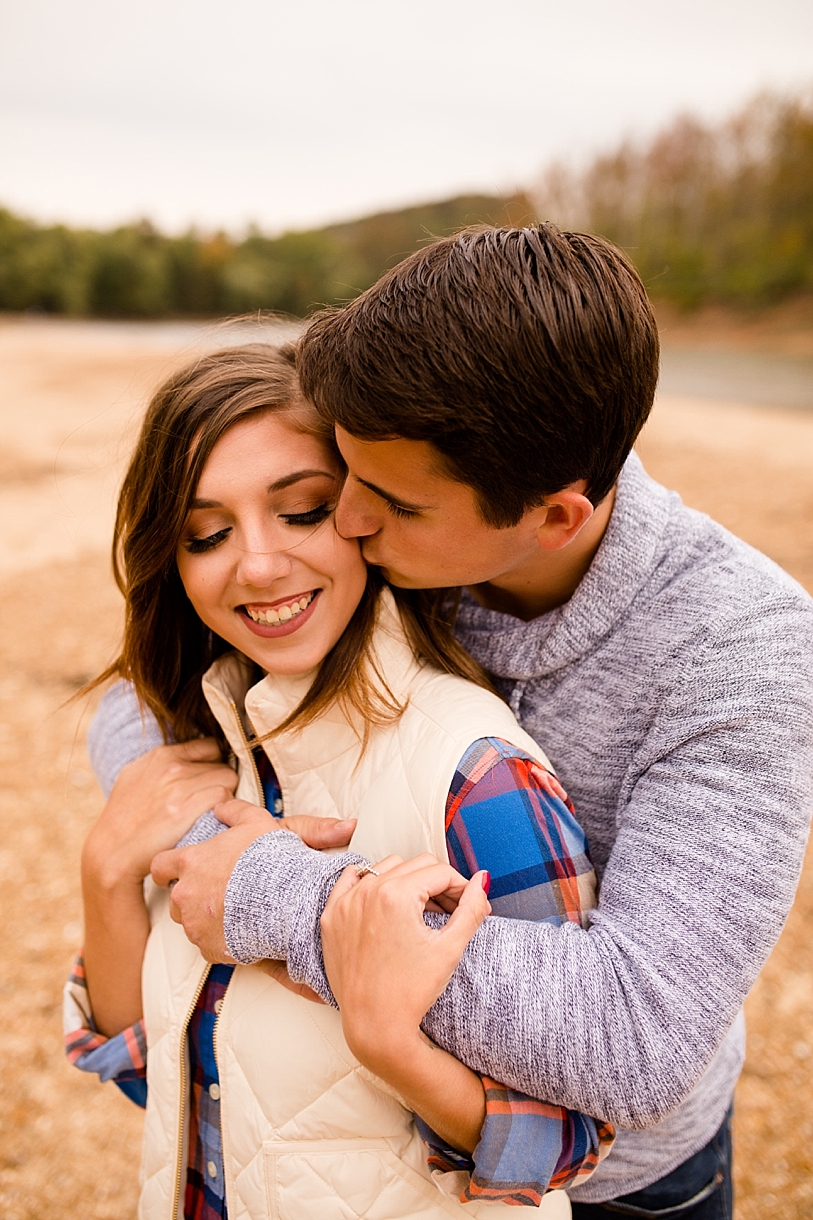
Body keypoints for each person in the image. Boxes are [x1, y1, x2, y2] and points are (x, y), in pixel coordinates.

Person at [99, 226, 813, 1219]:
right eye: (339, 480)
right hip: (387, 1147)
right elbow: (156, 682)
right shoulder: (407, 494)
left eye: (383, 500)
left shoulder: (745, 646)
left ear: (553, 519)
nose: (344, 518)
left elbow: (638, 1031)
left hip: (628, 1177)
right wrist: (195, 835)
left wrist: (274, 890)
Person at [65, 341, 614, 1219]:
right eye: (207, 534)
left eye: (303, 512)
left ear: (369, 512)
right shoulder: (214, 739)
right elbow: (158, 1078)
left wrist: (390, 1042)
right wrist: (106, 875)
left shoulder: (474, 771)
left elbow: (568, 1141)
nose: (256, 565)